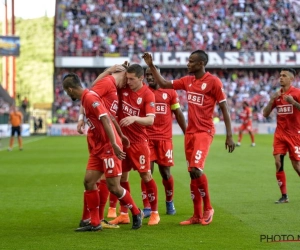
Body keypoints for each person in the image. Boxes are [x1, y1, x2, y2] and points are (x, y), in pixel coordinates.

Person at [143, 50, 235, 225]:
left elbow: (224, 108)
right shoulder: (187, 81)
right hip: (191, 133)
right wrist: (151, 65)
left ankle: (208, 208)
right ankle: (196, 215)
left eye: (191, 61)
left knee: (196, 169)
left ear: (201, 64)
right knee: (192, 174)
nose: (188, 64)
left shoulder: (213, 82)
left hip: (204, 132)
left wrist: (229, 135)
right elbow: (162, 82)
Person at [62, 73, 143, 231]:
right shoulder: (87, 99)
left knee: (114, 187)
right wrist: (121, 135)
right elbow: (111, 117)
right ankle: (94, 223)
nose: (67, 94)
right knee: (89, 181)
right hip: (98, 148)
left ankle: (136, 211)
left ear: (70, 89)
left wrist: (114, 142)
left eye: (67, 91)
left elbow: (105, 119)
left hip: (108, 147)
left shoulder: (91, 98)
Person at [76, 64, 129, 229]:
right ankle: (93, 219)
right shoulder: (108, 83)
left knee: (110, 178)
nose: (128, 82)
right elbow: (89, 94)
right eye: (127, 77)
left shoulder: (121, 87)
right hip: (99, 136)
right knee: (95, 179)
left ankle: (98, 218)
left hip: (112, 134)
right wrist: (80, 117)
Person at [109, 64, 161, 226]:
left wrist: (134, 118)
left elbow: (151, 120)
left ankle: (154, 212)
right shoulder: (123, 88)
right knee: (122, 177)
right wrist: (114, 71)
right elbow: (105, 83)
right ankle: (124, 213)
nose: (128, 81)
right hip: (121, 141)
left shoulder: (147, 94)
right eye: (127, 78)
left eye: (132, 79)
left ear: (141, 78)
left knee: (145, 175)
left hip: (139, 143)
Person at [141, 65, 186, 218]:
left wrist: (187, 133)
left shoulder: (170, 92)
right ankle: (147, 206)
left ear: (158, 74)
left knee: (165, 173)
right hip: (147, 138)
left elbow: (178, 114)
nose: (150, 77)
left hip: (165, 139)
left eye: (152, 74)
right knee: (146, 172)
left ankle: (169, 201)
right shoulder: (142, 92)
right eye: (147, 75)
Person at [263, 68, 300, 204]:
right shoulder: (277, 95)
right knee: (278, 162)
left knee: (297, 165)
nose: (280, 78)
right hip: (280, 134)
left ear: (291, 79)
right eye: (280, 75)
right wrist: (272, 99)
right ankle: (284, 196)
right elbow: (265, 114)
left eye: (284, 76)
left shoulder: (296, 93)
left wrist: (294, 103)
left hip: (294, 135)